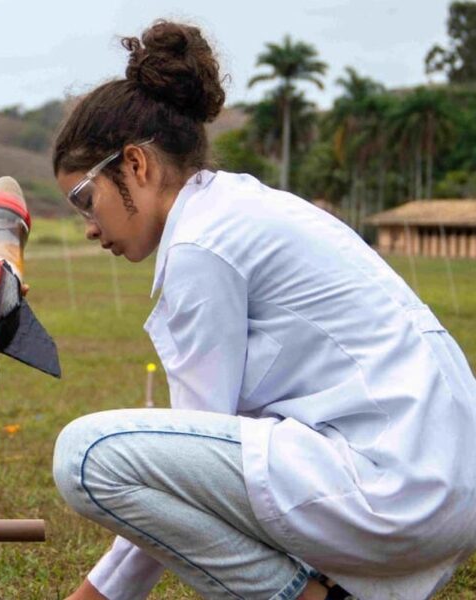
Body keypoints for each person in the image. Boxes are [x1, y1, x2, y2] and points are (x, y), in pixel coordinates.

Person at [50, 20, 476, 600]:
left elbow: (180, 469)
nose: (91, 227)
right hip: (444, 485)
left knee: (88, 455)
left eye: (85, 199)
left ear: (136, 164)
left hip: (398, 488)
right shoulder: (243, 208)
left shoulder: (202, 242)